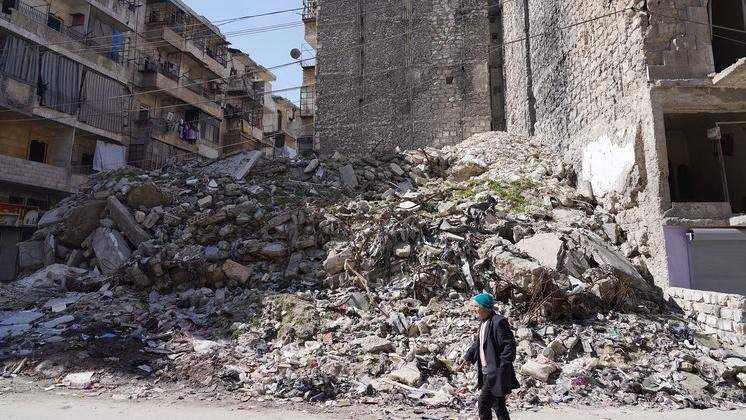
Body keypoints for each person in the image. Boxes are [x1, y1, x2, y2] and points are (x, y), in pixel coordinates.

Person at [459, 293, 519, 420]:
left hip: (495, 372)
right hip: (487, 371)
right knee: (498, 405)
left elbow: (509, 346)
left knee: (483, 403)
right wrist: (467, 357)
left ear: (484, 307)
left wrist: (500, 367)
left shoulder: (498, 322)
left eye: (476, 306)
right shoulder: (483, 322)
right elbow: (479, 343)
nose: (473, 309)